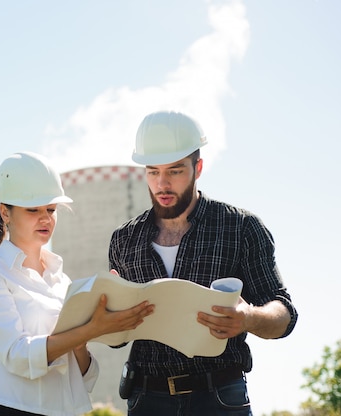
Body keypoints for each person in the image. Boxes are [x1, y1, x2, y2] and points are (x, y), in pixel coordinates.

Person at [108, 111, 298, 415]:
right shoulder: (123, 239)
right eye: (153, 171)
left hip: (220, 398)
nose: (162, 183)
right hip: (147, 399)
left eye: (175, 171)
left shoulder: (241, 227)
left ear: (198, 167)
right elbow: (115, 341)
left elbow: (284, 315)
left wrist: (247, 317)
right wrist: (109, 317)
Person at [0, 151, 155, 416]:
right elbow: (18, 356)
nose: (45, 218)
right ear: (4, 212)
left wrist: (92, 328)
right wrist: (89, 329)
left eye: (51, 210)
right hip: (6, 408)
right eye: (33, 210)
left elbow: (82, 378)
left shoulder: (61, 281)